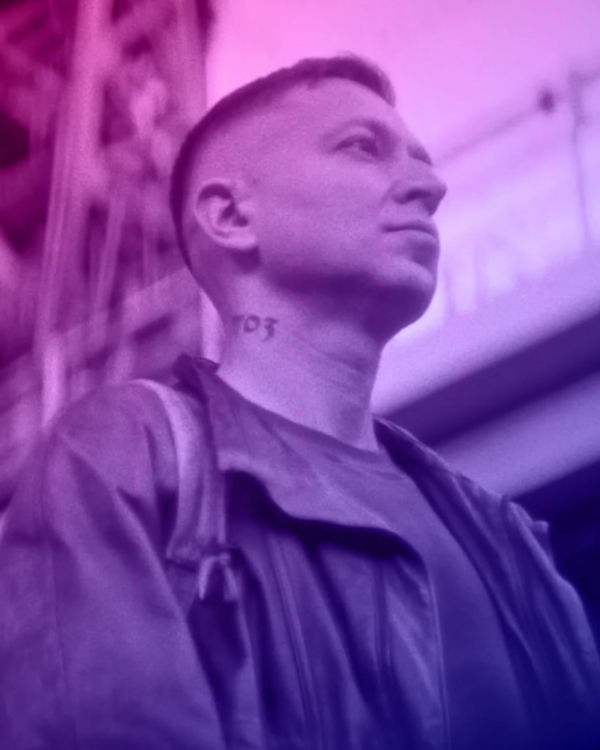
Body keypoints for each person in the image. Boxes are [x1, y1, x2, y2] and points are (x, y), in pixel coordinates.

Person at [1, 56, 599, 750]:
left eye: (421, 162)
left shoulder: (509, 538)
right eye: (363, 147)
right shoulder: (120, 458)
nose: (431, 187)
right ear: (230, 215)